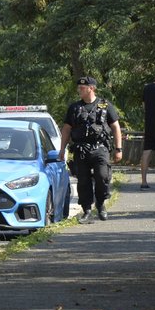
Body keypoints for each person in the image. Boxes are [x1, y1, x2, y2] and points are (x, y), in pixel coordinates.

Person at [58, 76, 123, 222]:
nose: (79, 90)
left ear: (91, 88)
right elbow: (67, 129)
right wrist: (62, 149)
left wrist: (118, 149)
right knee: (83, 181)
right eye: (78, 88)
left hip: (100, 148)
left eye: (82, 88)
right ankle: (87, 210)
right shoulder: (74, 108)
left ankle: (100, 204)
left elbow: (115, 127)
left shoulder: (105, 106)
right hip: (81, 149)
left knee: (102, 176)